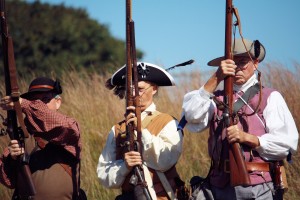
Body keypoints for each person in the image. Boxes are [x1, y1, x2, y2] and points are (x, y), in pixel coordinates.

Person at [181, 38, 298, 200]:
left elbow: (286, 144)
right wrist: (216, 78)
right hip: (219, 185)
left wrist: (248, 138)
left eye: (242, 62)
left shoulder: (271, 97)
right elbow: (191, 116)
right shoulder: (213, 98)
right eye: (232, 63)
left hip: (258, 185)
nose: (236, 68)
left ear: (255, 63)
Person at [97, 62, 187, 200]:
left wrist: (141, 130)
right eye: (130, 89)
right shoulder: (117, 129)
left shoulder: (168, 122)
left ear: (154, 89)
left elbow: (165, 160)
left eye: (140, 89)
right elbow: (104, 175)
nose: (133, 94)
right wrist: (124, 167)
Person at [0, 77, 82, 200]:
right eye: (34, 101)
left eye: (45, 100)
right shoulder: (21, 134)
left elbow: (60, 125)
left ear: (58, 102)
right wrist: (12, 159)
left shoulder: (68, 125)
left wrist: (25, 104)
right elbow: (8, 181)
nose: (39, 105)